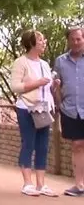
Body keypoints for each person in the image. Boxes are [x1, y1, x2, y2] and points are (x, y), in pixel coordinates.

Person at [9, 29, 58, 197]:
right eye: (40, 40)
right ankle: (27, 183)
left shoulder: (44, 64)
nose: (44, 42)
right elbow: (15, 87)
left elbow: (46, 87)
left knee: (43, 146)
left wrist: (53, 85)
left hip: (44, 109)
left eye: (44, 40)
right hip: (26, 108)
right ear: (31, 43)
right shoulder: (20, 62)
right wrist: (37, 83)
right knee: (28, 143)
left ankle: (41, 185)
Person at [52, 26, 84, 197]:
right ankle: (79, 185)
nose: (76, 42)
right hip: (70, 110)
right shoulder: (60, 61)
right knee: (77, 145)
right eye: (72, 39)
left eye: (79, 39)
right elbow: (56, 86)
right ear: (68, 41)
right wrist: (56, 89)